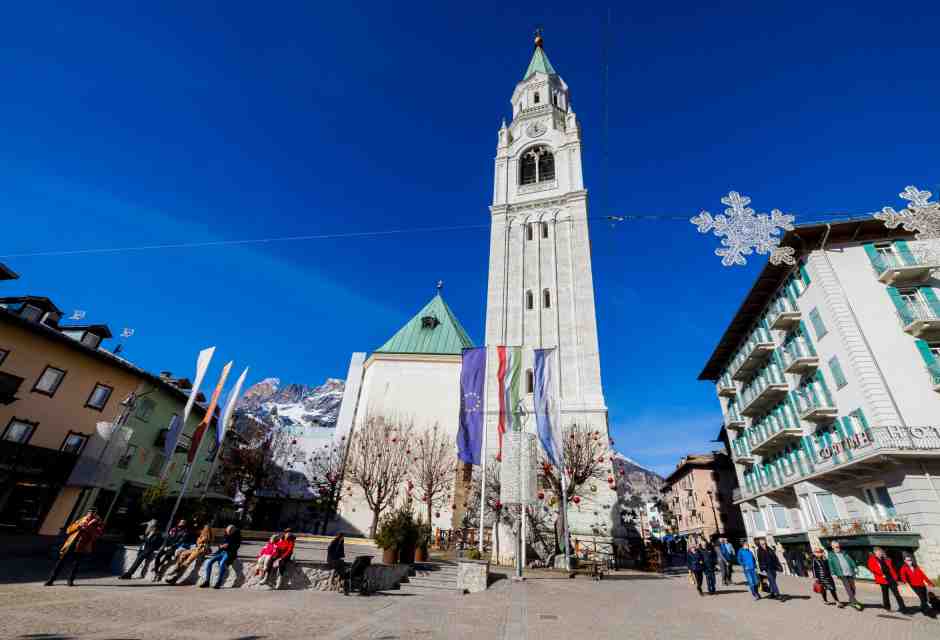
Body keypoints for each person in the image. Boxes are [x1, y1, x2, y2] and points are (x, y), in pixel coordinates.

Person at [45, 507, 106, 586]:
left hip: (83, 545)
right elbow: (68, 530)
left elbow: (97, 535)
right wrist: (78, 526)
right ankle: (51, 579)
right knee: (60, 562)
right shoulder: (81, 520)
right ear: (87, 513)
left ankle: (70, 580)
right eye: (89, 512)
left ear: (95, 514)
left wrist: (88, 528)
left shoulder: (98, 523)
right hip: (71, 543)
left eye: (93, 513)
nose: (90, 514)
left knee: (75, 564)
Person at [200, 525, 241, 589]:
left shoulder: (237, 537)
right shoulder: (225, 534)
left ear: (233, 531)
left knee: (222, 563)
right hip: (222, 552)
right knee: (210, 562)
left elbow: (236, 547)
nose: (228, 533)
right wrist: (221, 546)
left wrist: (228, 546)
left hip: (229, 553)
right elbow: (220, 544)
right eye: (227, 531)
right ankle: (207, 581)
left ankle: (219, 582)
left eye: (230, 531)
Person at [867, 547, 906, 612]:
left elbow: (891, 568)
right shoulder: (872, 559)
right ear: (875, 552)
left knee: (896, 593)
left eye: (880, 552)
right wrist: (881, 574)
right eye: (878, 552)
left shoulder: (885, 558)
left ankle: (903, 608)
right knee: (885, 593)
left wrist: (895, 577)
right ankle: (887, 607)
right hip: (882, 578)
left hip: (890, 577)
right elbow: (872, 568)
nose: (880, 553)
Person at [826, 542, 862, 611]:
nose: (838, 548)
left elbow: (850, 560)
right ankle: (854, 601)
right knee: (848, 587)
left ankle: (851, 599)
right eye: (836, 547)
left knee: (853, 587)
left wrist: (855, 567)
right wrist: (833, 573)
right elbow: (830, 565)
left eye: (839, 546)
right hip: (841, 573)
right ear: (833, 547)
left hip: (850, 572)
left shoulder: (844, 552)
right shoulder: (831, 555)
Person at [898, 553, 935, 617]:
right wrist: (904, 582)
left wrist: (929, 582)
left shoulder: (916, 567)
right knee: (922, 598)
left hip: (922, 585)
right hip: (915, 586)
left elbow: (923, 575)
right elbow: (902, 575)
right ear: (904, 561)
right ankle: (928, 612)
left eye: (910, 560)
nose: (909, 562)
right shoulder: (903, 568)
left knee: (925, 598)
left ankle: (922, 608)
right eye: (907, 560)